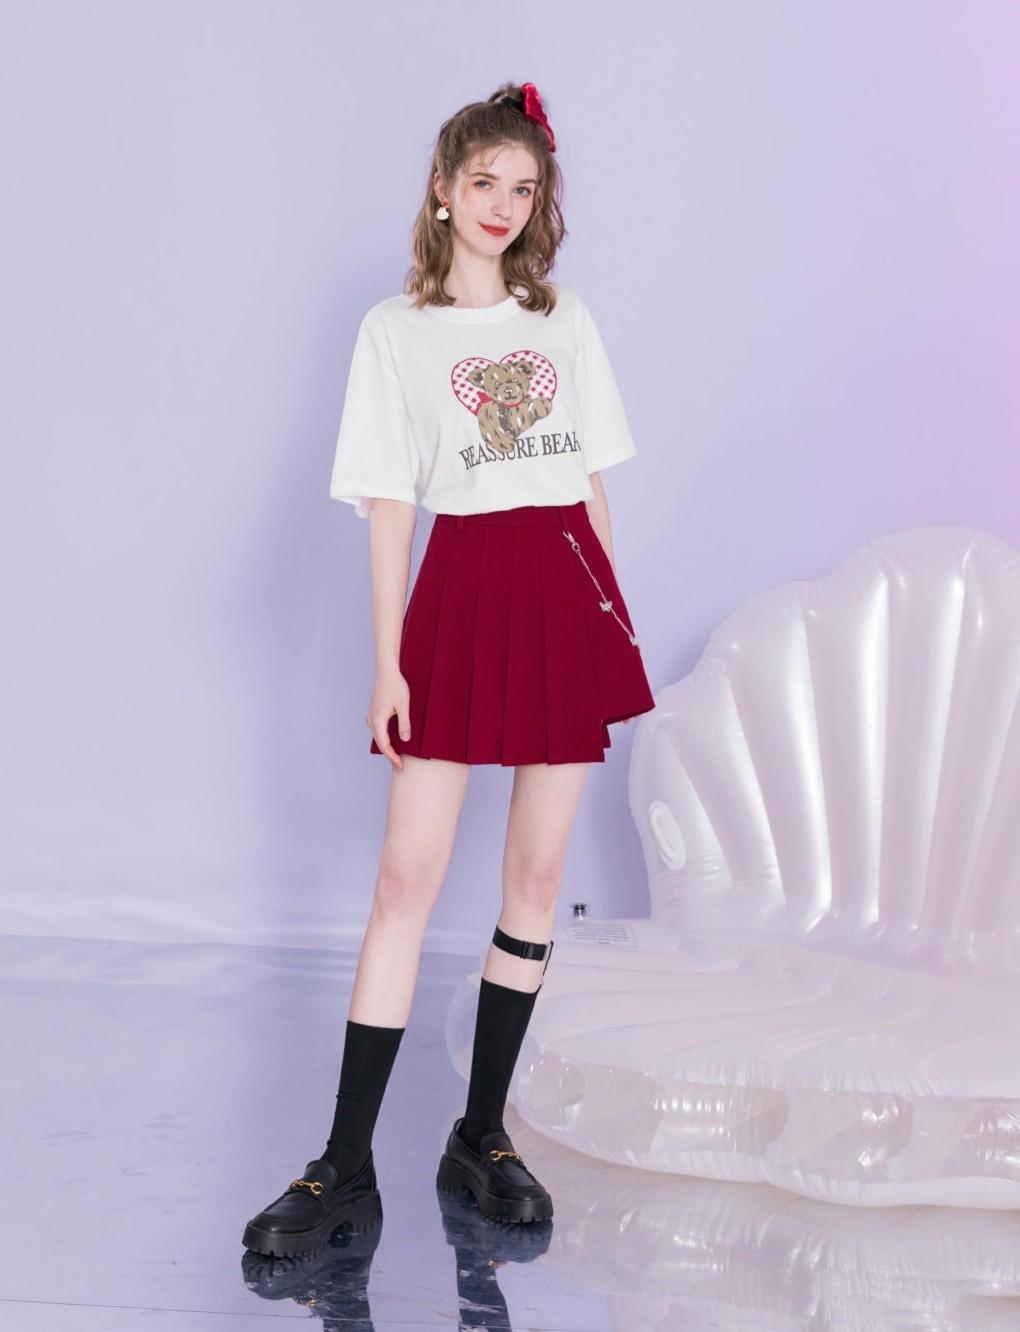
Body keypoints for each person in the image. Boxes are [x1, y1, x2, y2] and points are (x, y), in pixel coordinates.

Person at [242, 80, 656, 1258]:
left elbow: (588, 483)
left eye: (524, 188)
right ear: (442, 187)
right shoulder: (397, 330)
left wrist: (613, 624)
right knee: (404, 882)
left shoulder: (563, 318)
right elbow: (389, 508)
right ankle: (343, 1165)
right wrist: (389, 664)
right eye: (484, 182)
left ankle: (482, 1137)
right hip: (463, 587)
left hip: (564, 586)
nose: (503, 206)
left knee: (536, 878)